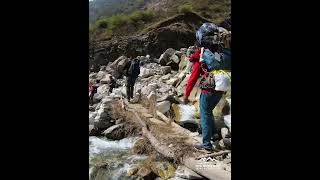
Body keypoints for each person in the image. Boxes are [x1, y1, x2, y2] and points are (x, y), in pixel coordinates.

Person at [183, 43, 225, 152]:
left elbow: (193, 78)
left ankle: (206, 144)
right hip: (221, 88)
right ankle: (214, 134)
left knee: (204, 113)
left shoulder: (200, 57)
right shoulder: (218, 54)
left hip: (208, 90)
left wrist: (186, 94)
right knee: (208, 110)